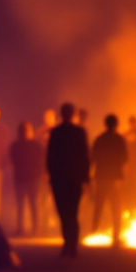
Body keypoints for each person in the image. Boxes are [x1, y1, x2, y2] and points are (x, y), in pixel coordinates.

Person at [45, 102, 90, 257]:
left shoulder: (56, 132)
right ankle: (72, 245)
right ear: (72, 115)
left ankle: (68, 244)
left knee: (64, 213)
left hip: (60, 178)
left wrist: (51, 175)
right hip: (74, 178)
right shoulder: (79, 132)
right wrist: (85, 178)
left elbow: (50, 156)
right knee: (72, 212)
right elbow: (85, 156)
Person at [89, 114, 130, 238]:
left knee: (99, 205)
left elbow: (93, 157)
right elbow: (125, 158)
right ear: (116, 125)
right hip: (115, 178)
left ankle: (94, 230)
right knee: (116, 207)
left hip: (101, 176)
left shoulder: (99, 139)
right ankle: (116, 234)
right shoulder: (119, 139)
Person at [6, 121, 45, 236]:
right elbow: (41, 161)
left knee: (22, 205)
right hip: (30, 178)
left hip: (23, 177)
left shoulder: (15, 145)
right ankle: (34, 228)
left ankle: (24, 228)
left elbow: (13, 160)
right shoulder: (36, 145)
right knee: (31, 205)